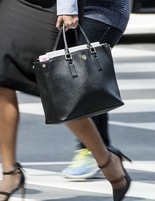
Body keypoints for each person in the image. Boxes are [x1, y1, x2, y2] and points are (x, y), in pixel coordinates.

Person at [0, 0, 131, 201]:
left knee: (58, 90)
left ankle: (106, 160)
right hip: (18, 4)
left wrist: (67, 7)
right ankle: (9, 173)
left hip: (63, 7)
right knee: (1, 78)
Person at [62, 0, 131, 179]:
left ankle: (93, 151)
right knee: (83, 76)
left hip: (104, 11)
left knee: (85, 75)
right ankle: (103, 151)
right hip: (76, 9)